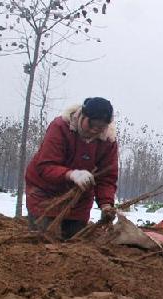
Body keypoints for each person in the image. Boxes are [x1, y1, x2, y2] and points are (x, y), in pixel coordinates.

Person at [25, 97, 118, 240]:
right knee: (42, 239)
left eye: (100, 127)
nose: (95, 130)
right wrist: (71, 174)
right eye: (92, 124)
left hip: (78, 200)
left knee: (74, 241)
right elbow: (45, 166)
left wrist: (106, 205)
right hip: (44, 193)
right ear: (82, 116)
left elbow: (106, 178)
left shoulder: (108, 142)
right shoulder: (60, 127)